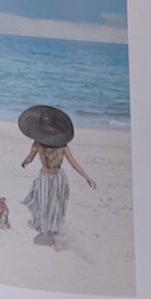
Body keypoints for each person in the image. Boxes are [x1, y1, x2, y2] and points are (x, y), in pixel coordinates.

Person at [18, 105, 96, 246]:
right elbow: (30, 157)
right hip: (48, 177)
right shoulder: (48, 145)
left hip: (56, 178)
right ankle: (46, 230)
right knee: (45, 203)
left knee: (53, 205)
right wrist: (25, 162)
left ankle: (49, 231)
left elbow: (73, 163)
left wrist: (87, 177)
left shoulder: (51, 145)